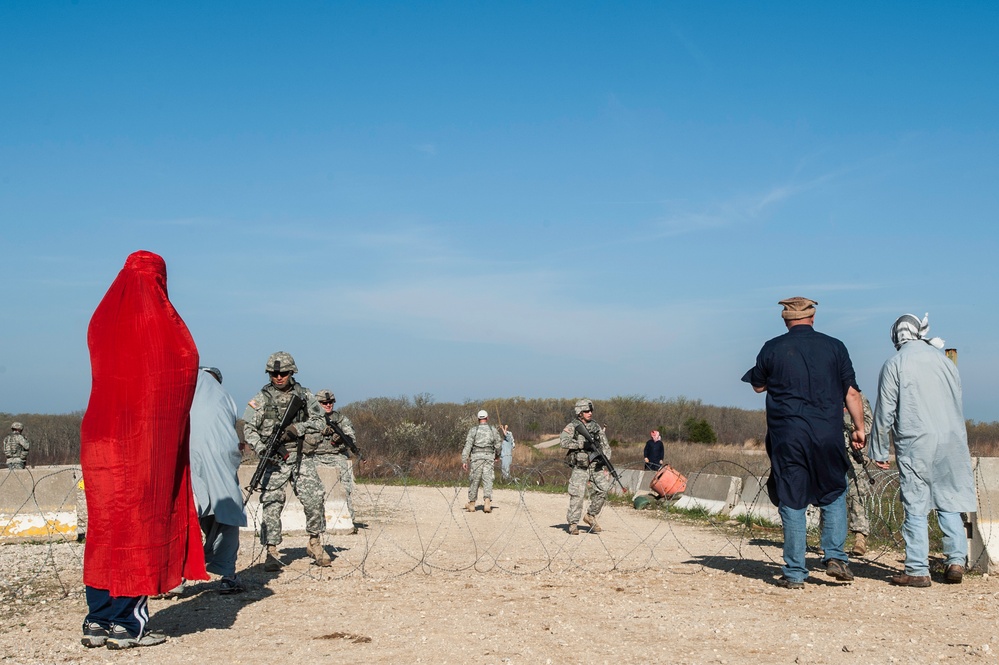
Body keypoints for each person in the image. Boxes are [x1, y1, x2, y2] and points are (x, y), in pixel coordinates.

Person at [80, 250, 207, 649]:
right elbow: (184, 364)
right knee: (139, 523)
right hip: (141, 440)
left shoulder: (101, 319)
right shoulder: (160, 322)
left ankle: (96, 619)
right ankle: (126, 623)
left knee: (104, 528)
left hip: (99, 436)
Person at [742, 297, 866, 589]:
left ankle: (796, 573)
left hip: (788, 437)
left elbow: (758, 385)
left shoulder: (772, 347)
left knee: (792, 498)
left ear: (785, 320)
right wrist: (860, 429)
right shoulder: (836, 347)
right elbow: (851, 393)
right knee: (834, 490)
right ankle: (835, 556)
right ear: (812, 318)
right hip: (827, 435)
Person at [868, 313, 977, 587]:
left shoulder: (896, 363)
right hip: (952, 438)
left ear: (896, 335)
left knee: (916, 502)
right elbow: (957, 400)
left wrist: (880, 450)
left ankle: (917, 569)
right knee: (949, 499)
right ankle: (955, 561)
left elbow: (885, 412)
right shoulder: (945, 362)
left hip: (917, 439)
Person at [243, 352, 329, 571]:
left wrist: (296, 429)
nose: (279, 377)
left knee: (314, 499)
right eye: (274, 373)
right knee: (272, 504)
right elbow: (249, 428)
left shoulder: (304, 396)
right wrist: (263, 448)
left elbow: (320, 421)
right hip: (274, 459)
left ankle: (315, 542)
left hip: (300, 455)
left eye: (284, 373)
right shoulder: (260, 399)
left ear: (292, 373)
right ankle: (271, 550)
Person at [189, 367, 247, 594]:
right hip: (219, 461)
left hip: (190, 459)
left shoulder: (188, 389)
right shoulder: (225, 398)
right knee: (226, 513)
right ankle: (227, 574)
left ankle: (177, 577)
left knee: (190, 514)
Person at [311, 389, 362, 534]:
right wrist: (320, 433)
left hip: (337, 455)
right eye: (324, 403)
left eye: (330, 402)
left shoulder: (340, 419)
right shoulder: (310, 419)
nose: (328, 405)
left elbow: (351, 437)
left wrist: (341, 438)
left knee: (345, 488)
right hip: (315, 456)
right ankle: (316, 522)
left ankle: (348, 519)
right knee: (314, 491)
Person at [559, 398, 613, 535]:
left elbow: (606, 446)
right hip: (580, 466)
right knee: (577, 494)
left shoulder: (596, 427)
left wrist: (604, 458)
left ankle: (590, 515)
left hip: (595, 465)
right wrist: (581, 445)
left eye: (591, 410)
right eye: (586, 411)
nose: (590, 413)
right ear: (580, 412)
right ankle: (573, 523)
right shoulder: (573, 426)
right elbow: (563, 442)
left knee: (603, 489)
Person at [843, 393, 874, 556]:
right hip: (830, 450)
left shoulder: (858, 398)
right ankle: (827, 537)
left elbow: (868, 423)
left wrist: (852, 426)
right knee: (829, 495)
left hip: (854, 453)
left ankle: (859, 538)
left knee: (857, 495)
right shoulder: (826, 392)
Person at [461, 409, 502, 513]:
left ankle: (472, 504)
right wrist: (497, 455)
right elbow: (498, 445)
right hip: (489, 457)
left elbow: (468, 445)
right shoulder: (493, 430)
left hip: (476, 458)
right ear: (487, 418)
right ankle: (487, 502)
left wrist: (464, 460)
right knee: (488, 479)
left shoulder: (473, 430)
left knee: (475, 480)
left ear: (478, 419)